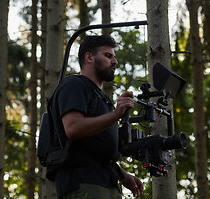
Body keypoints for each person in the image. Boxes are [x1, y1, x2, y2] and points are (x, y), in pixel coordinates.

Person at [49, 34, 144, 199]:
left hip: (106, 182)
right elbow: (73, 128)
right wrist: (116, 114)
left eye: (114, 57)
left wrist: (122, 174)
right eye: (108, 56)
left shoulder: (101, 98)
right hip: (83, 182)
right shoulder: (75, 85)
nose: (114, 62)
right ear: (89, 57)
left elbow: (95, 149)